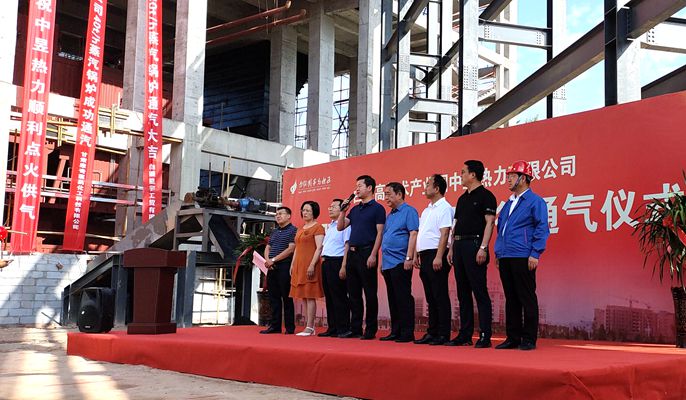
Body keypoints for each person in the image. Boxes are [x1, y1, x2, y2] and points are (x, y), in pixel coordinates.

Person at [494, 160, 550, 351]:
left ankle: (529, 338)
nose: (508, 180)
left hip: (523, 255)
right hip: (506, 256)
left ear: (524, 178)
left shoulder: (535, 201)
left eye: (512, 176)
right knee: (511, 298)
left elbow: (542, 227)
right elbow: (501, 229)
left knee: (526, 297)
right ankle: (513, 337)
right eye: (508, 176)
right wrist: (498, 253)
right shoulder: (508, 203)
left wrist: (535, 253)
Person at [447, 160, 497, 348]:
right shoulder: (462, 199)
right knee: (462, 293)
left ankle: (485, 335)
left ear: (473, 175)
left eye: (463, 172)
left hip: (475, 244)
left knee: (479, 292)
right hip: (459, 245)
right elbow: (456, 226)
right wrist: (451, 248)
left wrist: (483, 247)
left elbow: (490, 223)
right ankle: (465, 334)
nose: (460, 176)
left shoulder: (486, 196)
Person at [337, 175, 386, 340]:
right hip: (352, 253)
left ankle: (370, 329)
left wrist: (373, 254)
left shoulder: (378, 208)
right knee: (354, 293)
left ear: (370, 188)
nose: (356, 189)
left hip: (367, 252)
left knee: (370, 293)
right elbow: (340, 227)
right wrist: (343, 211)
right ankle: (355, 328)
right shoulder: (355, 209)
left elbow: (380, 233)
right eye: (356, 186)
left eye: (360, 186)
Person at [414, 174, 454, 346]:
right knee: (430, 297)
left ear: (437, 189)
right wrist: (416, 254)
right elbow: (422, 234)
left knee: (440, 295)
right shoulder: (426, 210)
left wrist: (439, 256)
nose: (425, 187)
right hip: (424, 255)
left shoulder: (445, 207)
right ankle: (432, 331)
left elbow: (445, 233)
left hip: (437, 254)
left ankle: (443, 334)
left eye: (428, 184)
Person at [380, 182, 419, 343]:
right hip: (388, 263)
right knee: (393, 298)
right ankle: (395, 331)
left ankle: (407, 332)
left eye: (389, 194)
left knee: (403, 298)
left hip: (401, 261)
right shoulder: (390, 215)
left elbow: (413, 234)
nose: (386, 198)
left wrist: (409, 258)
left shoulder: (409, 211)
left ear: (399, 194)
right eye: (385, 194)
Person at [290, 201, 325, 336]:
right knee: (303, 296)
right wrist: (293, 264)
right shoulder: (301, 228)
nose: (304, 213)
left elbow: (319, 248)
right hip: (299, 265)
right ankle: (307, 325)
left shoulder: (318, 228)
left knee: (310, 295)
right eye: (303, 210)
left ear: (314, 212)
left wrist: (312, 264)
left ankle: (310, 327)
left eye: (308, 211)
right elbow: (297, 248)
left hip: (310, 265)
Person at [260, 207, 297, 334]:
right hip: (272, 267)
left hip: (284, 266)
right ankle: (275, 326)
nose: (278, 216)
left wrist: (274, 259)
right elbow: (268, 247)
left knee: (286, 297)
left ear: (289, 216)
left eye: (281, 213)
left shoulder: (293, 230)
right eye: (276, 214)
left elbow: (291, 249)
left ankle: (290, 327)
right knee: (273, 297)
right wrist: (267, 260)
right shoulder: (274, 231)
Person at [319, 199, 352, 338]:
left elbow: (347, 246)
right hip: (326, 262)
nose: (330, 209)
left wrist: (343, 266)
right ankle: (332, 328)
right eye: (329, 206)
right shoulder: (331, 226)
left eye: (334, 206)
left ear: (342, 208)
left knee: (339, 296)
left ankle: (343, 328)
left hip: (337, 262)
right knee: (329, 297)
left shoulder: (346, 224)